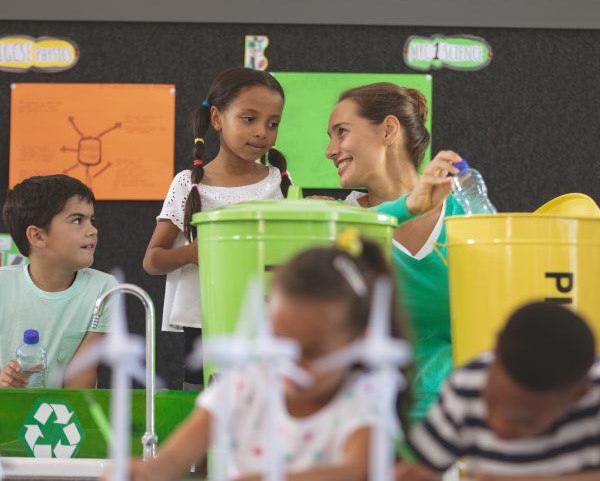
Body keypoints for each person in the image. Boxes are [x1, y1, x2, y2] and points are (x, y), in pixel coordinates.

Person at [129, 234, 410, 480]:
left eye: (311, 353)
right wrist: (143, 473)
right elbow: (170, 462)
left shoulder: (366, 396)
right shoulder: (245, 385)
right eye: (278, 345)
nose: (290, 365)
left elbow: (357, 472)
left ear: (360, 342)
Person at [397, 301, 600, 481]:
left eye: (526, 420)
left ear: (579, 395)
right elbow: (419, 467)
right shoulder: (469, 383)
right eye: (492, 400)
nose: (500, 424)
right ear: (495, 350)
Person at [143, 67, 291, 390]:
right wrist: (194, 254)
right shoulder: (188, 184)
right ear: (216, 118)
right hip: (206, 321)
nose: (262, 132)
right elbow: (152, 260)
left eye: (273, 123)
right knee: (205, 410)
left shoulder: (279, 181)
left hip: (266, 321)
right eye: (249, 119)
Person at [325, 82, 465, 421]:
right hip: (365, 427)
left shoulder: (465, 216)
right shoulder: (334, 222)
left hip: (453, 426)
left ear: (388, 130)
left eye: (341, 133)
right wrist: (408, 206)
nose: (330, 150)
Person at [0, 174, 116, 389]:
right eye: (77, 220)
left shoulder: (105, 289)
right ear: (37, 237)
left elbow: (79, 387)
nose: (93, 230)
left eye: (92, 220)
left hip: (61, 418)